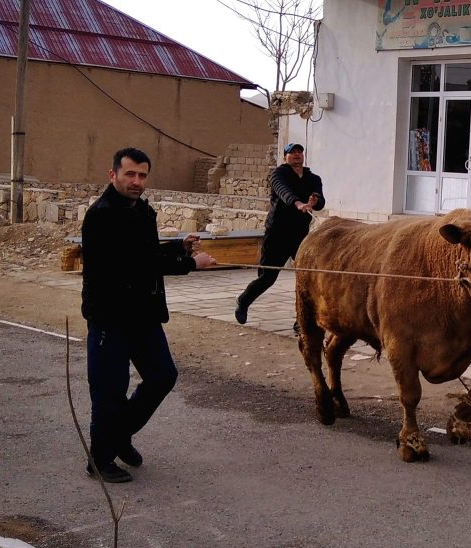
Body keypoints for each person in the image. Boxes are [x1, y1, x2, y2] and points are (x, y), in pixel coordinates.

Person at [80, 147, 216, 483]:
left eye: (142, 175)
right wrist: (190, 263)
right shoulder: (102, 215)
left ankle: (117, 437)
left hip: (143, 316)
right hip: (110, 318)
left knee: (162, 376)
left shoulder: (141, 210)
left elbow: (146, 252)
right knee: (109, 391)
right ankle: (100, 460)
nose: (137, 181)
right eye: (130, 174)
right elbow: (132, 265)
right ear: (113, 175)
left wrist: (178, 247)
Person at [235, 143, 325, 324]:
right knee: (267, 277)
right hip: (277, 233)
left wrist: (315, 201)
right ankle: (243, 301)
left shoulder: (313, 178)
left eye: (299, 152)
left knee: (306, 277)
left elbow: (321, 201)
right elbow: (284, 192)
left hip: (300, 235)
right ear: (285, 157)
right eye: (292, 152)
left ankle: (301, 321)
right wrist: (298, 203)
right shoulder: (279, 174)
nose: (297, 155)